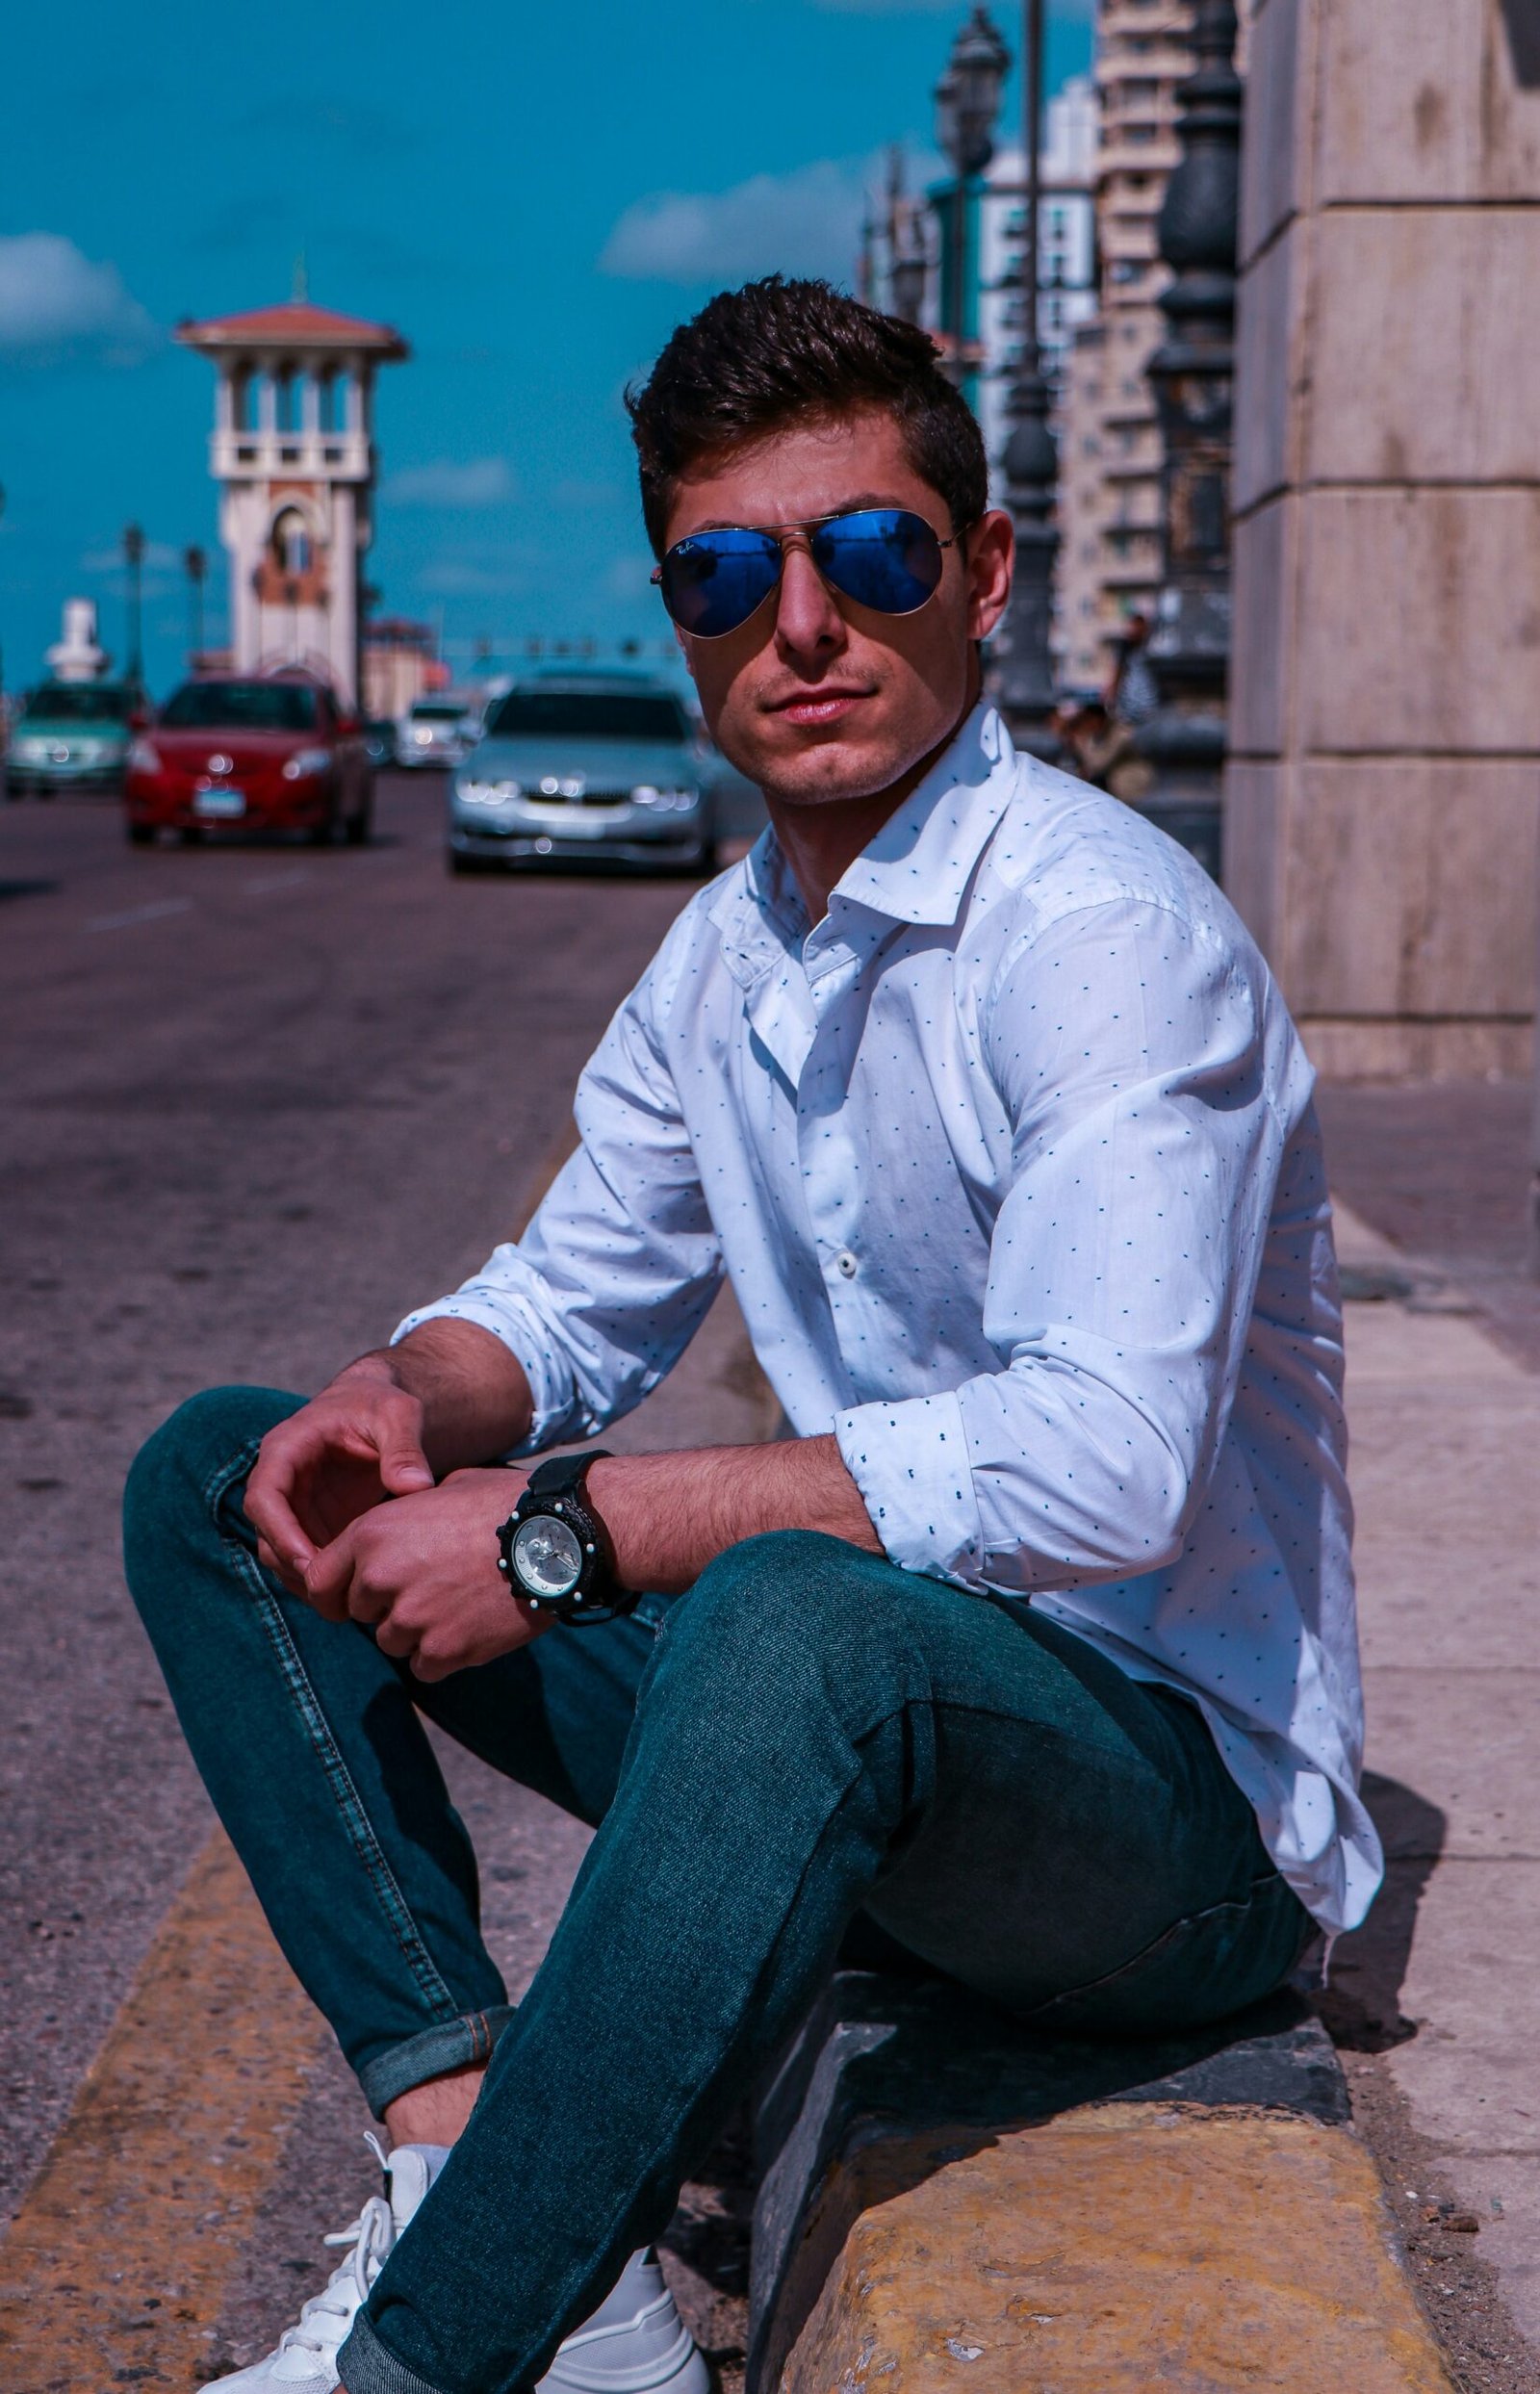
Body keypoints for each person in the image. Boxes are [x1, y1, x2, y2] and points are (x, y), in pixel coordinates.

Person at [124, 276, 1381, 2394]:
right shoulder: (733, 950)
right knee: (223, 1473)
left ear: (977, 575)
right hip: (852, 1746)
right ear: (679, 612)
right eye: (726, 572)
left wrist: (563, 1533)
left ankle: (430, 2358)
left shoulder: (1097, 939)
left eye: (864, 553)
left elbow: (1097, 1460)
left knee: (788, 1604)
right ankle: (495, 2205)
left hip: (1161, 1832)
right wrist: (402, 1396)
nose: (797, 624)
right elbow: (569, 1290)